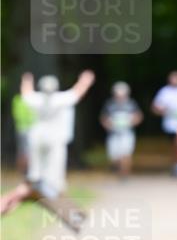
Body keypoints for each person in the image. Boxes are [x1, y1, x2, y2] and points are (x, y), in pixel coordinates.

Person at [1, 71, 95, 228]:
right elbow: (78, 92)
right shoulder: (60, 99)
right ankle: (65, 209)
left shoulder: (36, 99)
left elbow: (26, 92)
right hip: (54, 140)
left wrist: (27, 79)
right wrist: (86, 80)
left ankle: (35, 186)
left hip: (37, 138)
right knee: (53, 180)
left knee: (36, 175)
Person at [151, 70, 177, 176]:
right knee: (176, 145)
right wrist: (162, 110)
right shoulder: (165, 91)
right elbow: (155, 107)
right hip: (170, 124)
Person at [100, 82, 143, 179]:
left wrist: (132, 122)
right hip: (113, 134)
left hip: (127, 133)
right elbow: (103, 117)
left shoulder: (131, 104)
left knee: (126, 154)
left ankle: (124, 174)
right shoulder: (109, 104)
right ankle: (118, 168)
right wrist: (107, 125)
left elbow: (138, 116)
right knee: (114, 157)